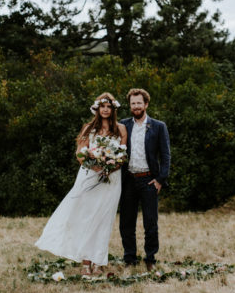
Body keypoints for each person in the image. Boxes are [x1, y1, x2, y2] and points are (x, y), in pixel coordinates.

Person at [35, 92, 128, 275]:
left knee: (104, 219)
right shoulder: (88, 128)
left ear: (114, 109)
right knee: (87, 218)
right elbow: (80, 153)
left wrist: (110, 166)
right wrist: (95, 165)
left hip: (112, 179)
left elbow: (123, 155)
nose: (106, 110)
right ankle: (86, 262)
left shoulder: (121, 129)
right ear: (97, 108)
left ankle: (98, 261)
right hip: (90, 176)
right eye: (103, 106)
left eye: (109, 107)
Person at [119, 88, 171, 271]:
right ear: (130, 105)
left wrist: (159, 179)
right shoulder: (123, 125)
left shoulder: (158, 126)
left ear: (146, 104)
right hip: (128, 180)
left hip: (149, 180)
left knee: (150, 222)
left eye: (139, 103)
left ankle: (150, 258)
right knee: (126, 222)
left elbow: (165, 156)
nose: (136, 106)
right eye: (133, 103)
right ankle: (129, 259)